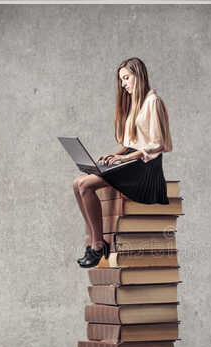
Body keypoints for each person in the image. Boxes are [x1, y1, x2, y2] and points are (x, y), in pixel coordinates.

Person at [72, 57, 172, 268]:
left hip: (146, 169)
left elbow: (158, 144)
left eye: (126, 78)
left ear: (139, 76)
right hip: (132, 162)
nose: (123, 84)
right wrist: (113, 156)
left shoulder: (153, 101)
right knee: (76, 183)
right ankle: (92, 242)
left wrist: (124, 158)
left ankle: (98, 246)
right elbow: (131, 143)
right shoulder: (135, 104)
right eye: (121, 80)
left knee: (85, 185)